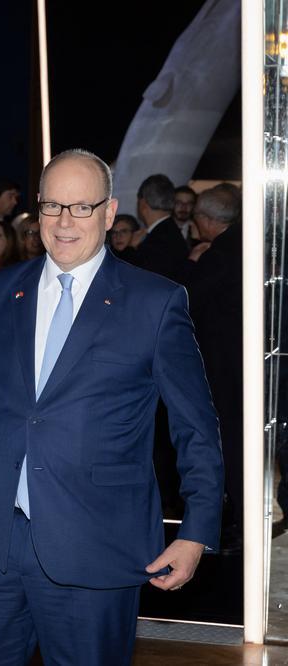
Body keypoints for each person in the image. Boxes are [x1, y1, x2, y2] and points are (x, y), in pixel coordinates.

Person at [0, 149, 223, 665]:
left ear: (110, 213)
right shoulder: (0, 290)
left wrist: (197, 529)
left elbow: (194, 427)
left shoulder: (154, 302)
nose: (64, 222)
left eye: (81, 208)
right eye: (52, 207)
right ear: (36, 212)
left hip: (97, 542)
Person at [187, 184, 243, 552]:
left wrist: (192, 264)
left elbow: (189, 302)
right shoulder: (247, 246)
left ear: (207, 221)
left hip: (223, 368)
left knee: (230, 446)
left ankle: (238, 522)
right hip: (245, 365)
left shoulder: (215, 256)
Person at [133, 173, 188, 284]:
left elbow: (136, 281)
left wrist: (129, 249)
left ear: (143, 203)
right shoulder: (171, 231)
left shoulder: (155, 241)